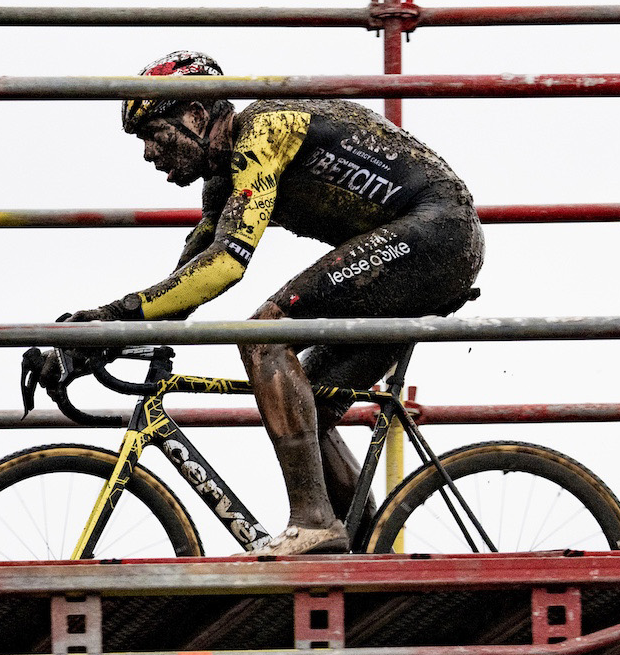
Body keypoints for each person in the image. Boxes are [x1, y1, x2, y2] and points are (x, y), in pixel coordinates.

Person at [52, 52, 484, 555]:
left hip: (436, 232)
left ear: (195, 113)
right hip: (420, 244)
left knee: (264, 337)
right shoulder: (222, 181)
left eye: (156, 134)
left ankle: (313, 521)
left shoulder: (263, 131)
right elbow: (185, 285)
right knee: (310, 408)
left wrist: (115, 317)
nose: (149, 154)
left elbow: (226, 267)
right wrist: (94, 338)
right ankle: (366, 551)